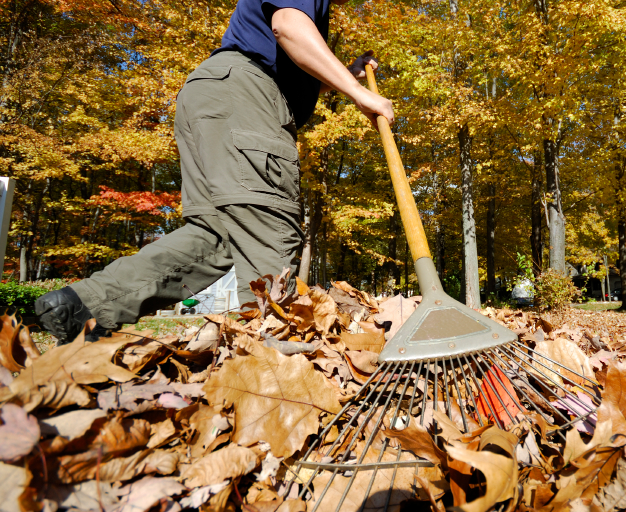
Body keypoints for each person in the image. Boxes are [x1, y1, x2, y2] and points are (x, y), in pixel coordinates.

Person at [35, 0, 393, 345]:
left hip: (215, 95)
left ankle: (85, 306)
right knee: (267, 225)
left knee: (215, 235)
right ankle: (268, 362)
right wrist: (359, 93)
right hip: (246, 95)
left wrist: (346, 75)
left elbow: (290, 66)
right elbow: (287, 26)